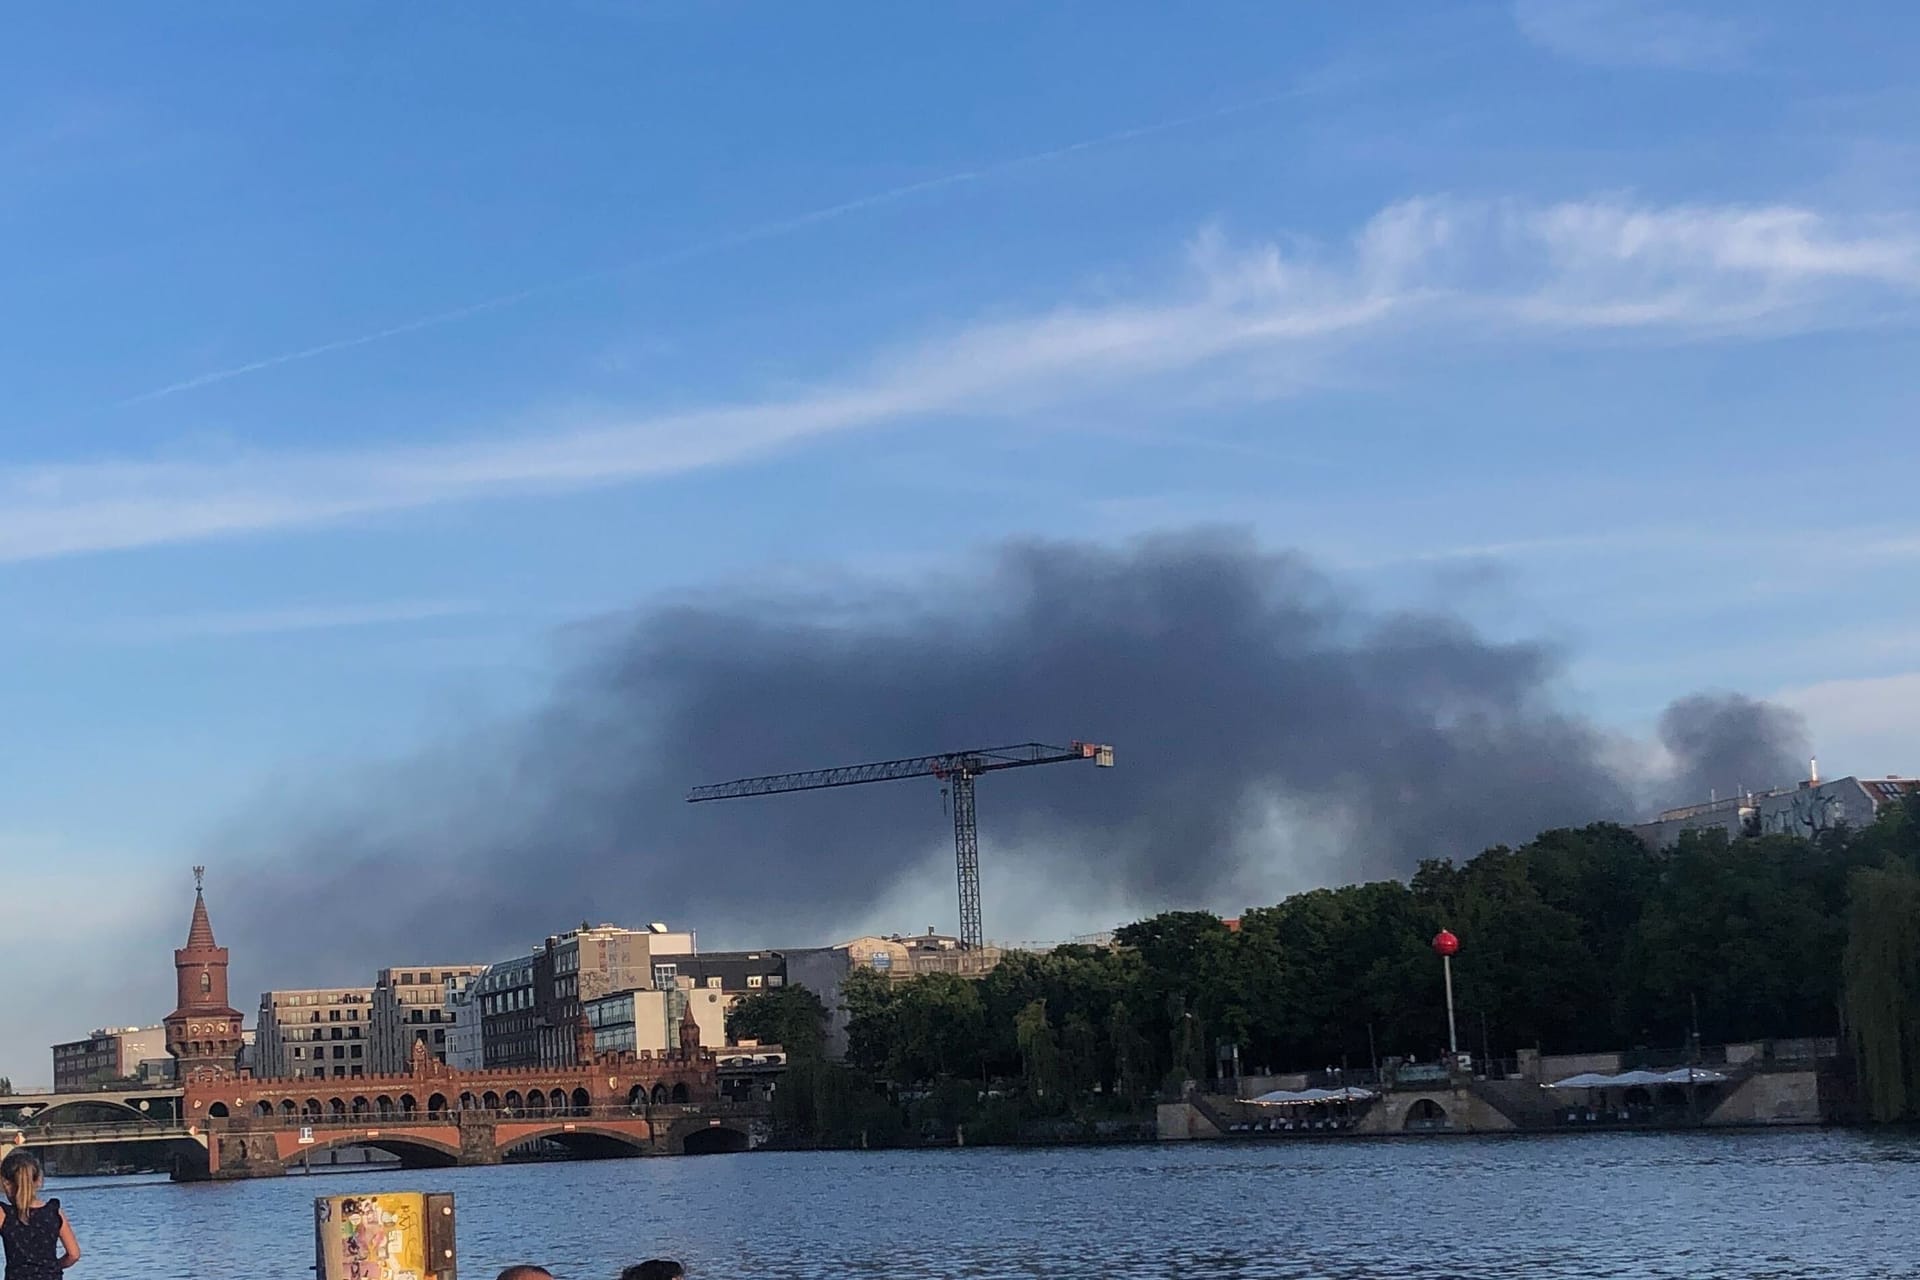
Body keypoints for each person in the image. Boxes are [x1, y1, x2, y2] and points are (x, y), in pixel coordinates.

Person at [1, 1149, 80, 1278]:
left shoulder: (4, 1214)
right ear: (38, 1181)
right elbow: (74, 1254)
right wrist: (52, 1266)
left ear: (6, 1184)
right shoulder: (54, 1212)